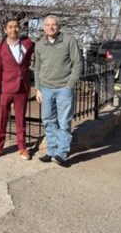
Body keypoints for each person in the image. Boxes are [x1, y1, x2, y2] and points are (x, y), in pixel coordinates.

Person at [35, 15, 82, 167]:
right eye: (48, 25)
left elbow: (78, 63)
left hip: (63, 88)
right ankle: (51, 151)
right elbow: (37, 67)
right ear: (43, 27)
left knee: (64, 122)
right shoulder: (40, 44)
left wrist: (70, 84)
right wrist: (38, 88)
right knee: (48, 120)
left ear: (59, 26)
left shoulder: (69, 40)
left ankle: (62, 153)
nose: (51, 27)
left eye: (54, 24)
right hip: (46, 88)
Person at [0, 18, 35, 160]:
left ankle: (22, 147)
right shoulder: (0, 46)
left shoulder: (28, 43)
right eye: (10, 27)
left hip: (22, 87)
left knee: (21, 120)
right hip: (5, 88)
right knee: (1, 119)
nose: (13, 29)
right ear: (5, 30)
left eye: (16, 27)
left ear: (19, 29)